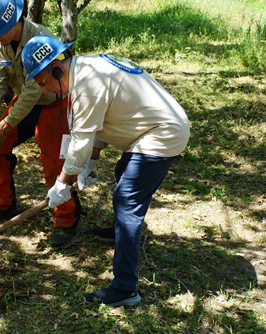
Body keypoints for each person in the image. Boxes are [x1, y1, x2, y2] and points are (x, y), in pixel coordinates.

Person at [21, 35, 190, 306]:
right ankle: (120, 231)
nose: (46, 91)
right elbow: (100, 122)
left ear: (55, 69)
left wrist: (63, 183)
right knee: (124, 170)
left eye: (44, 83)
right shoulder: (87, 69)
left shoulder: (87, 87)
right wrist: (94, 161)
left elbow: (80, 142)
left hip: (162, 134)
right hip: (153, 130)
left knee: (126, 200)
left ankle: (124, 289)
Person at [0, 0, 81, 246]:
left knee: (55, 163)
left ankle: (66, 219)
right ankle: (4, 202)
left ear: (15, 21)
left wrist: (6, 124)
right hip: (25, 102)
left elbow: (33, 90)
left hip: (54, 102)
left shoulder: (39, 38)